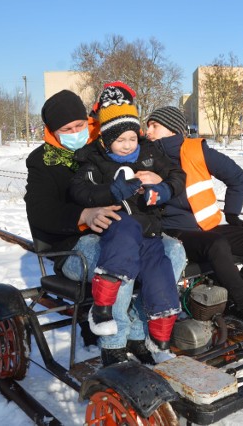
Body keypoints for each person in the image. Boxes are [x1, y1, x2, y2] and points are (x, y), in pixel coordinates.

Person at [24, 90, 186, 364]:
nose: (76, 132)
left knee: (174, 252)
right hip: (74, 245)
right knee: (117, 262)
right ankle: (113, 344)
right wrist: (83, 214)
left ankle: (137, 331)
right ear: (52, 131)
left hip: (128, 231)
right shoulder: (42, 161)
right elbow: (39, 212)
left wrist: (158, 179)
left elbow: (166, 170)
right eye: (67, 129)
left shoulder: (106, 145)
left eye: (80, 126)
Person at [69, 81, 183, 365]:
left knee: (161, 266)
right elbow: (79, 191)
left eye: (132, 139)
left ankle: (153, 331)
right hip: (116, 227)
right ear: (106, 141)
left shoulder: (150, 152)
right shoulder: (94, 160)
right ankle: (112, 337)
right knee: (124, 256)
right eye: (121, 141)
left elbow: (175, 175)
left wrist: (165, 188)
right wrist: (111, 192)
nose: (129, 145)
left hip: (149, 229)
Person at [145, 106, 243, 331]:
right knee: (216, 245)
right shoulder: (144, 156)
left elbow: (236, 177)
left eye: (154, 126)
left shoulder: (197, 151)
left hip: (207, 228)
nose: (147, 131)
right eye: (148, 125)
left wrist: (232, 214)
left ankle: (228, 298)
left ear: (172, 130)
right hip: (173, 233)